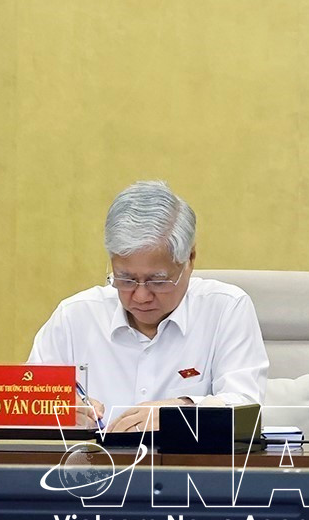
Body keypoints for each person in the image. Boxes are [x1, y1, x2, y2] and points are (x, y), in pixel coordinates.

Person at [28, 180, 268, 433]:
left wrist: (181, 414)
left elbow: (246, 406)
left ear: (190, 260)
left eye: (158, 280)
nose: (141, 296)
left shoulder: (225, 309)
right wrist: (58, 412)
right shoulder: (75, 316)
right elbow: (28, 400)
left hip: (188, 469)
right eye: (126, 279)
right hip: (93, 467)